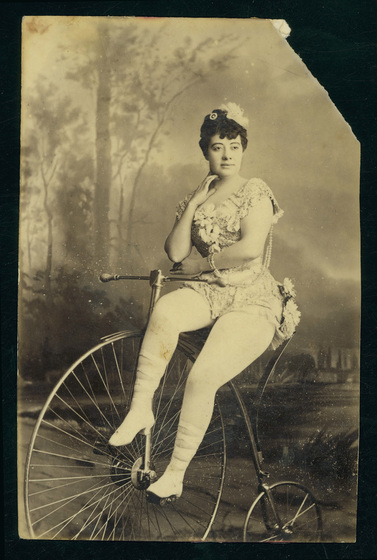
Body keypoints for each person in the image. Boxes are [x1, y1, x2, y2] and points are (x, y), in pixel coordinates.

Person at [109, 103, 300, 501]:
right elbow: (176, 252)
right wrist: (194, 205)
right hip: (211, 293)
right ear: (205, 152)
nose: (227, 154)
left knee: (201, 379)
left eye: (234, 145)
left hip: (252, 301)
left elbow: (249, 249)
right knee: (164, 311)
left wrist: (205, 261)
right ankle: (140, 409)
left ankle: (175, 474)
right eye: (217, 146)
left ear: (243, 148)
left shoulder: (255, 191)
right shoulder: (196, 195)